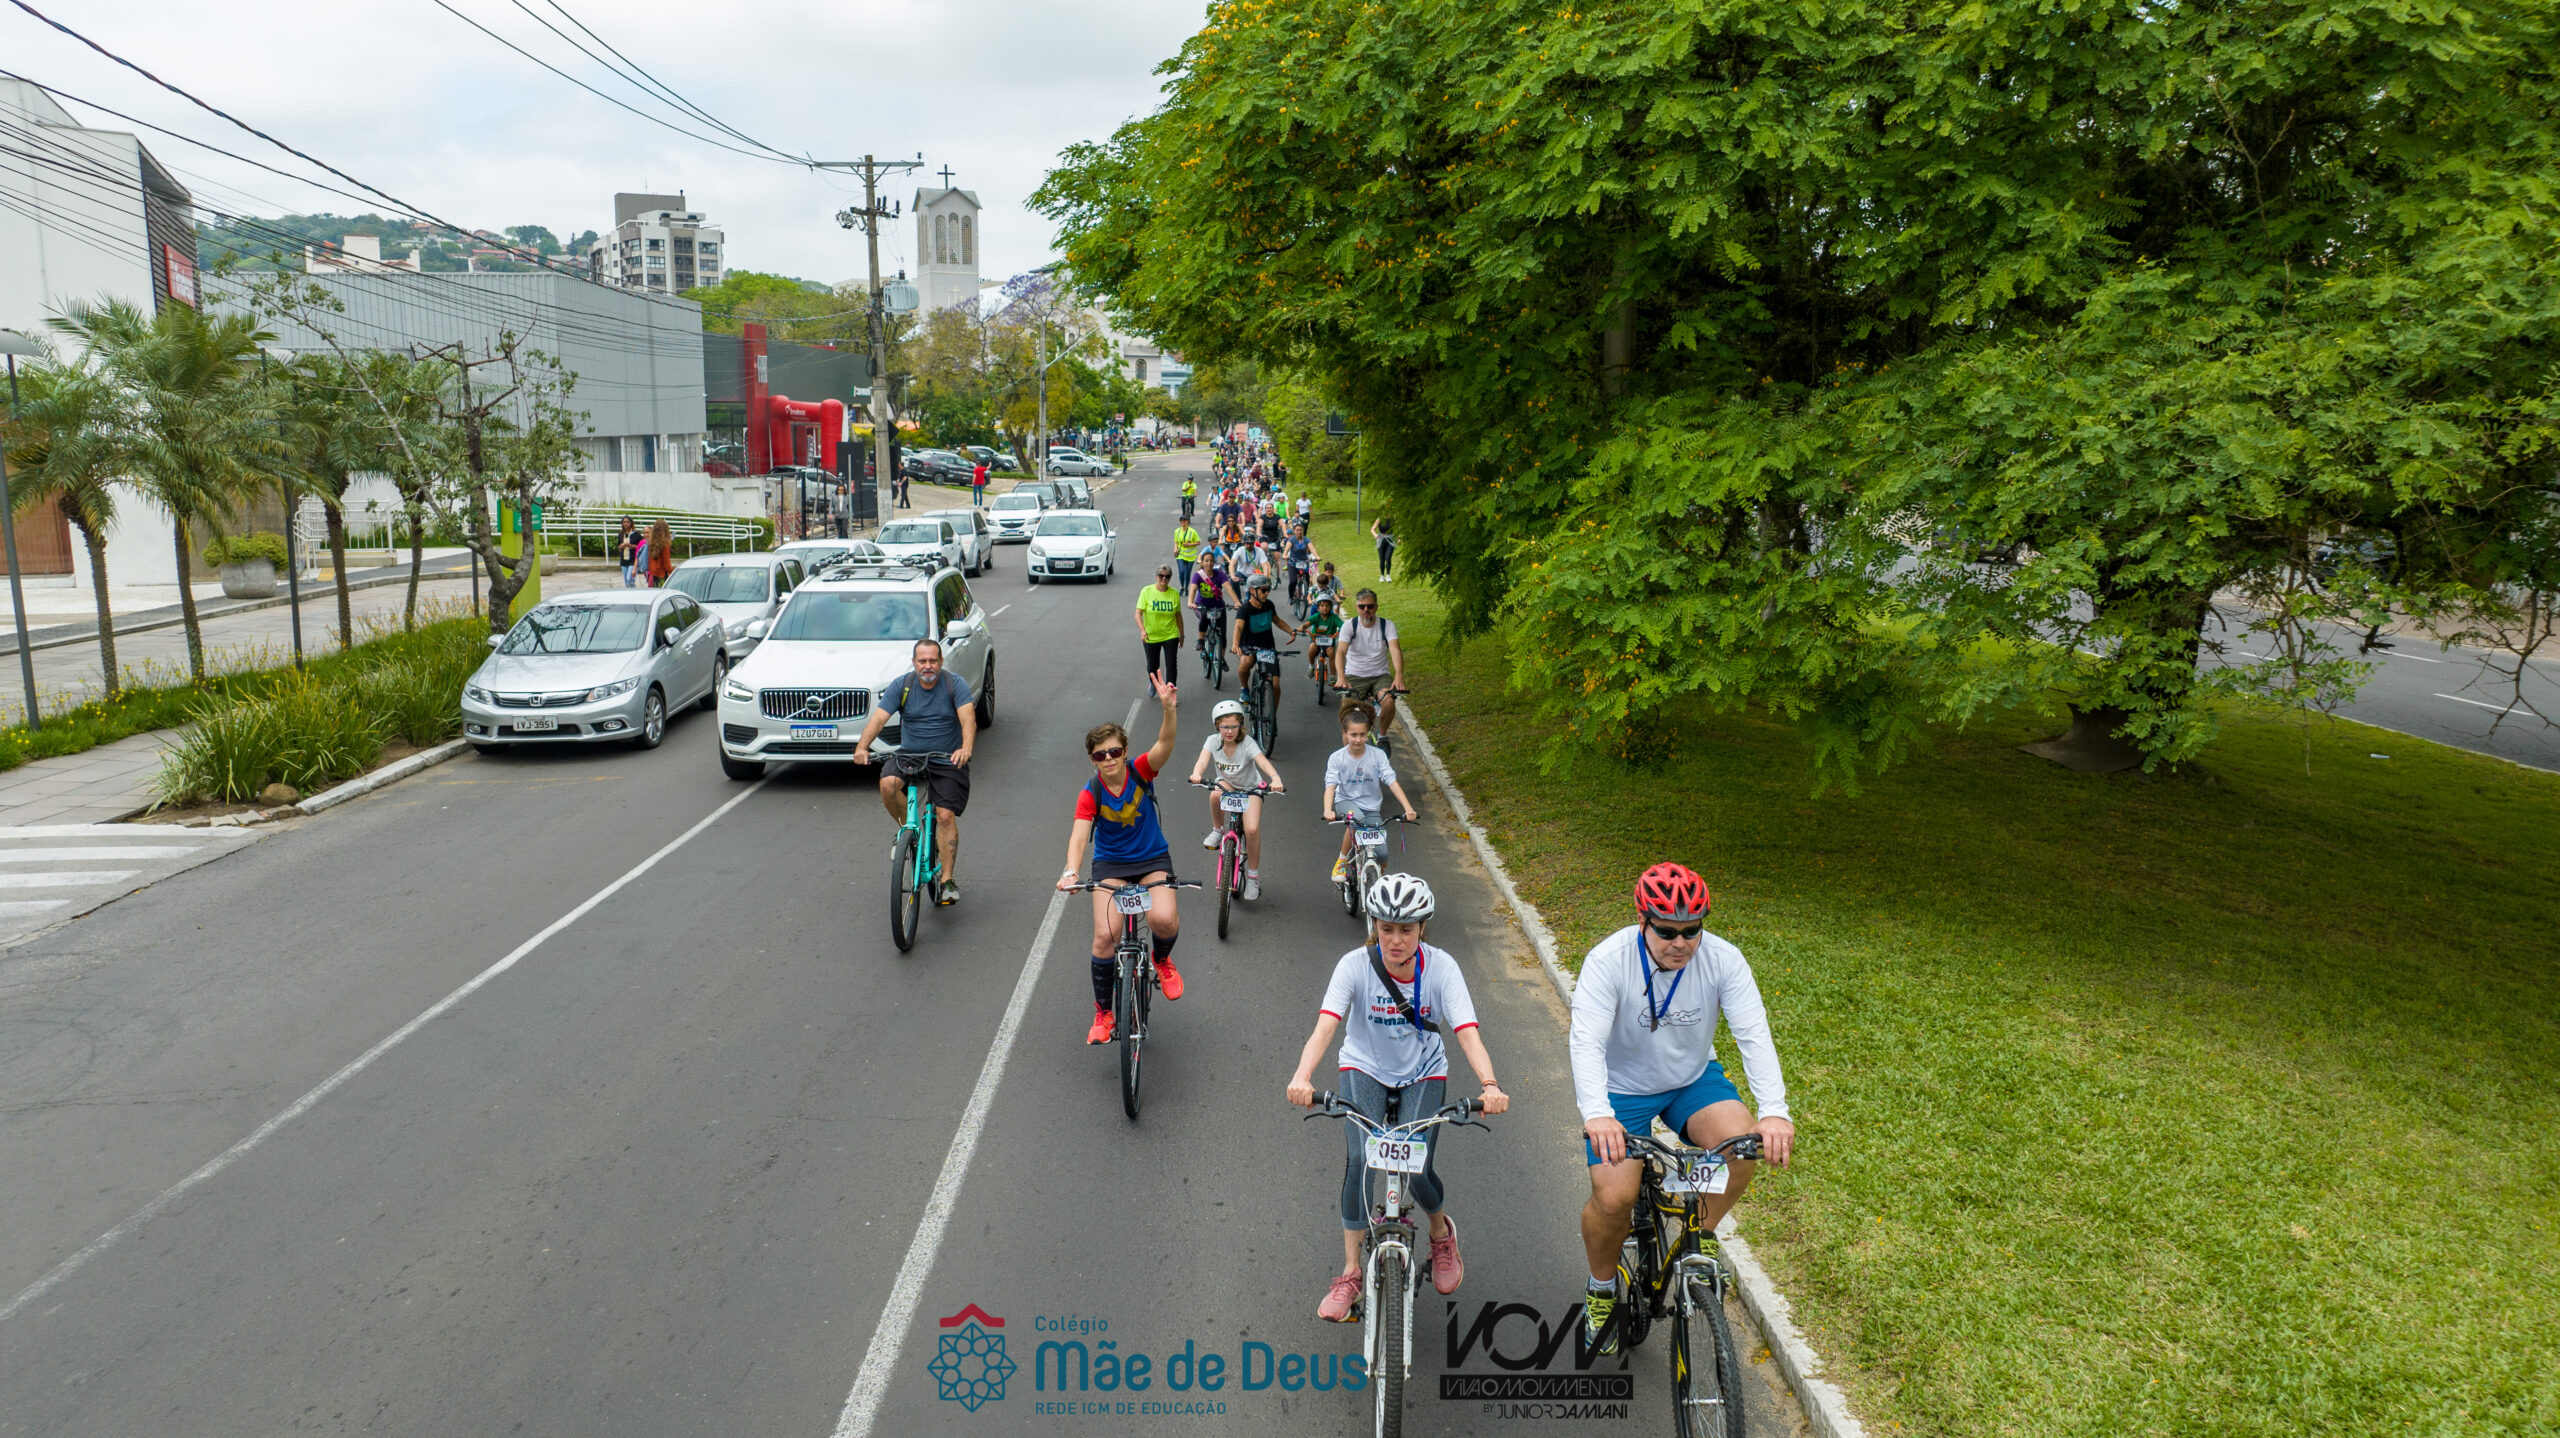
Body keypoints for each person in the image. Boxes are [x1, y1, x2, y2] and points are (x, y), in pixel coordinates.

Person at [1572, 862, 1795, 1353]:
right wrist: (1597, 1113)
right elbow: (1586, 1042)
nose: (1681, 942)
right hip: (1621, 1091)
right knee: (1614, 1199)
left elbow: (1753, 1033)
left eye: (1692, 930)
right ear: (1642, 920)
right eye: (1668, 931)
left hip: (1690, 1080)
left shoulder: (1724, 960)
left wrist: (1775, 1110)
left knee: (1742, 1145)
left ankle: (1701, 1237)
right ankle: (1602, 1289)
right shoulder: (1608, 961)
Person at [1287, 874, 1508, 1319]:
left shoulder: (1442, 969)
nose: (1395, 939)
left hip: (1423, 1070)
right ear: (1374, 925)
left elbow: (1467, 1033)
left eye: (1406, 929)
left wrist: (1489, 1085)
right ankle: (1351, 1272)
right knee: (1360, 1160)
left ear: (1423, 927)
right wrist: (1302, 1076)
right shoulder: (1354, 966)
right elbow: (1326, 1027)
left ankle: (1440, 1234)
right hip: (1364, 1066)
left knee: (1416, 1164)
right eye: (1386, 928)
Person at [1057, 676, 1188, 1043]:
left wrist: (1168, 710)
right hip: (1111, 866)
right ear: (1092, 759)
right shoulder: (1091, 792)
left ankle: (1161, 960)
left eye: (1114, 751)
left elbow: (1165, 743)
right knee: (1105, 936)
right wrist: (1071, 871)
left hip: (1152, 859)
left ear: (1125, 751)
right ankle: (1104, 1013)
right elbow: (1079, 835)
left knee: (1163, 919)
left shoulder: (1141, 771)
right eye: (1100, 755)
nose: (1109, 759)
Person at [852, 638, 978, 906]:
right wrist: (862, 747)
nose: (927, 666)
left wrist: (965, 748)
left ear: (941, 661)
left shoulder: (954, 684)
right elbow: (879, 718)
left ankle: (947, 881)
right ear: (914, 662)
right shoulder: (903, 685)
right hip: (910, 753)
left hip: (947, 756)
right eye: (922, 661)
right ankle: (907, 834)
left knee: (945, 816)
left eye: (933, 660)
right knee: (888, 784)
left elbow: (968, 719)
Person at [1190, 697, 1283, 898]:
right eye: (1225, 727)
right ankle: (1218, 830)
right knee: (1215, 794)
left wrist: (1275, 778)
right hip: (1228, 784)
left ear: (1241, 725)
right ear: (1217, 726)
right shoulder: (1212, 741)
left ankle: (1253, 877)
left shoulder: (1247, 743)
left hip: (1251, 789)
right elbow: (1202, 761)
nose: (1230, 731)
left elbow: (1262, 761)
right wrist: (1197, 773)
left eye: (1234, 726)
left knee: (1251, 829)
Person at [1322, 702, 1417, 884]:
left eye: (1362, 735)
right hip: (1346, 802)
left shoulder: (1378, 755)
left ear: (1369, 733)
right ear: (1345, 734)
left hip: (1371, 808)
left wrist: (1408, 808)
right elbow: (1331, 786)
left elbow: (1391, 781)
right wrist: (1328, 809)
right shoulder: (1337, 758)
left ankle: (1377, 883)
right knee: (1356, 819)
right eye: (1353, 735)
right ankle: (1342, 861)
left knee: (1382, 854)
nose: (1358, 739)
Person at [1337, 589, 1407, 739]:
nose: (1366, 610)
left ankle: (1382, 735)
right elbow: (1341, 652)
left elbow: (1395, 650)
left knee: (1389, 700)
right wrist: (1341, 677)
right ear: (1357, 607)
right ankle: (1349, 752)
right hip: (1354, 675)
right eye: (1362, 606)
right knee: (1348, 719)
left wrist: (1399, 677)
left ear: (1376, 607)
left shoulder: (1387, 625)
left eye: (1370, 606)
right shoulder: (1349, 626)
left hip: (1380, 675)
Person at [1231, 575, 1300, 707]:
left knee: (1275, 686)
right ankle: (1244, 688)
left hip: (1267, 645)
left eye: (1268, 590)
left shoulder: (1269, 605)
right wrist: (1235, 644)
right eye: (1263, 590)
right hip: (1248, 645)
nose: (1267, 593)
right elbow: (1238, 627)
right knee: (1246, 663)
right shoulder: (1244, 609)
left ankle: (1272, 717)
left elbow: (1277, 620)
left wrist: (1291, 631)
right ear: (1252, 590)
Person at [1136, 564, 1186, 690]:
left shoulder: (1174, 593)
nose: (1164, 578)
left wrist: (1181, 634)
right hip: (1151, 635)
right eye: (1161, 576)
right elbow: (1138, 613)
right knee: (1152, 666)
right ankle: (1154, 684)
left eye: (1167, 576)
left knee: (1171, 664)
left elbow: (1178, 615)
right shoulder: (1146, 591)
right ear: (1156, 576)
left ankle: (1170, 691)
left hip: (1170, 634)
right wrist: (1142, 630)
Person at [1305, 593, 1343, 690]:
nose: (1324, 608)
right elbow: (1307, 623)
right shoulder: (1316, 616)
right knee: (1312, 648)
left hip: (1329, 642)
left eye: (1327, 606)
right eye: (1322, 606)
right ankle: (1311, 666)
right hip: (1316, 641)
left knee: (1331, 652)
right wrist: (1302, 627)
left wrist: (1343, 631)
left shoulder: (1334, 617)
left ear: (1331, 607)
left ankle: (1333, 677)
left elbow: (1342, 626)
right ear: (1318, 608)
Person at [1172, 518, 1205, 595]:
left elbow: (1198, 542)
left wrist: (1189, 544)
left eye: (1184, 520)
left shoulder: (1192, 531)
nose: (1183, 522)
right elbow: (1176, 541)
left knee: (1187, 573)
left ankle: (1186, 588)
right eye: (1181, 520)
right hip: (1180, 555)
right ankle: (1182, 587)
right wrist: (1175, 548)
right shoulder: (1177, 531)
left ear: (1187, 522)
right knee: (1181, 571)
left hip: (1190, 556)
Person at [646, 519, 674, 587]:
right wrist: (672, 572)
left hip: (653, 573)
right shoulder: (665, 544)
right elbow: (666, 562)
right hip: (662, 574)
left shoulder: (651, 543)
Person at [1371, 512, 1396, 582]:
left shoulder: (1393, 519)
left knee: (1388, 558)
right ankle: (1382, 576)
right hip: (1381, 540)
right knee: (1382, 559)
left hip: (1390, 540)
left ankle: (1388, 575)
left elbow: (1399, 528)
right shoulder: (1379, 519)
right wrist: (1375, 535)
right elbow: (1372, 529)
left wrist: (1399, 538)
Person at [617, 516, 639, 588]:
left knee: (630, 579)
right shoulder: (621, 534)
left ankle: (634, 592)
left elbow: (641, 546)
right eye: (624, 522)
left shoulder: (636, 534)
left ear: (631, 523)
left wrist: (631, 545)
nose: (625, 524)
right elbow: (618, 546)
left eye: (627, 522)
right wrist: (622, 546)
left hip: (633, 560)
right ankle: (629, 593)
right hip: (624, 560)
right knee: (626, 582)